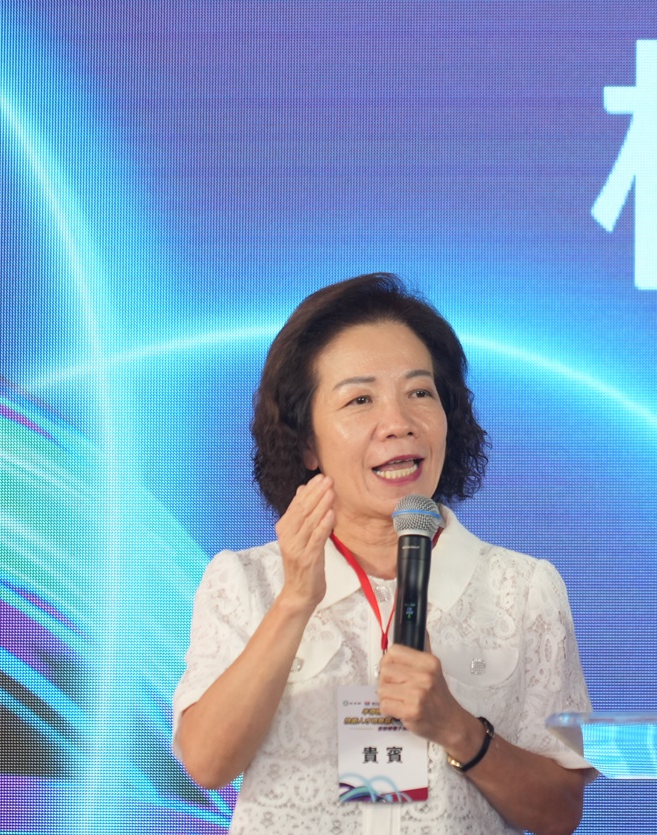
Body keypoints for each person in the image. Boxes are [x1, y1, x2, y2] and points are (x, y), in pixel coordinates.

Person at [173, 273, 595, 833]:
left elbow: (560, 812)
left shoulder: (522, 588)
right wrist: (296, 599)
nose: (398, 424)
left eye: (420, 393)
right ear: (307, 444)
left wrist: (457, 728)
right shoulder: (245, 580)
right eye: (360, 400)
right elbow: (206, 764)